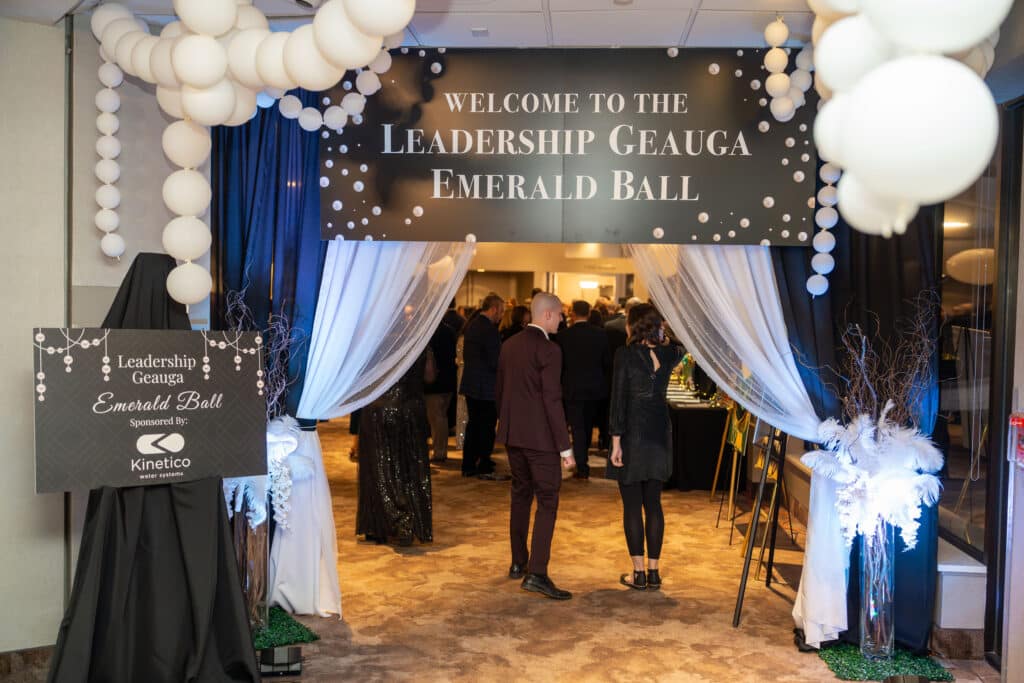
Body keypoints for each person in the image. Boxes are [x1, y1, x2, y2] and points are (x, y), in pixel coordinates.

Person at [496, 292, 575, 600]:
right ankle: (537, 573)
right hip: (541, 441)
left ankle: (519, 561)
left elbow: (500, 392)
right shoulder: (550, 350)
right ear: (547, 315)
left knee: (520, 495)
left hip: (513, 436)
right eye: (560, 315)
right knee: (547, 501)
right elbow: (552, 400)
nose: (562, 320)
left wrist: (506, 425)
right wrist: (565, 447)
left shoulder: (509, 345)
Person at [608, 304, 683, 591]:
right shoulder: (669, 353)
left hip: (632, 435)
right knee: (654, 505)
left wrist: (615, 441)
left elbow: (618, 400)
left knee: (632, 506)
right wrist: (662, 335)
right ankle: (654, 573)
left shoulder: (625, 355)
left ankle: (638, 573)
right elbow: (682, 343)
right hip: (660, 435)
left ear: (633, 325)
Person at [356, 351, 436, 546]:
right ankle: (405, 521)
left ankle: (386, 524)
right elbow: (430, 376)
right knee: (409, 467)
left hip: (378, 410)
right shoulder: (419, 340)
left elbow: (360, 378)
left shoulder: (376, 341)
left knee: (379, 468)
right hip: (411, 410)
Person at [557, 300, 612, 479]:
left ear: (572, 314)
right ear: (589, 313)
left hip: (572, 388)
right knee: (586, 426)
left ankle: (582, 464)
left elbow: (560, 365)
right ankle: (582, 460)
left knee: (578, 427)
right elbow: (607, 363)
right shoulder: (600, 334)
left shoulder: (563, 336)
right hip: (595, 388)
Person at [459, 293, 504, 477]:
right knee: (485, 426)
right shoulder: (489, 330)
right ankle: (481, 462)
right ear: (493, 309)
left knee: (474, 424)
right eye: (501, 311)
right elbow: (495, 361)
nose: (502, 315)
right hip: (485, 386)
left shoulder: (473, 325)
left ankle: (471, 462)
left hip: (472, 383)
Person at [425, 319, 458, 463]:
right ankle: (441, 450)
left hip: (435, 383)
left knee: (436, 418)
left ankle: (439, 452)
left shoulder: (430, 332)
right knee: (441, 417)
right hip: (448, 380)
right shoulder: (449, 330)